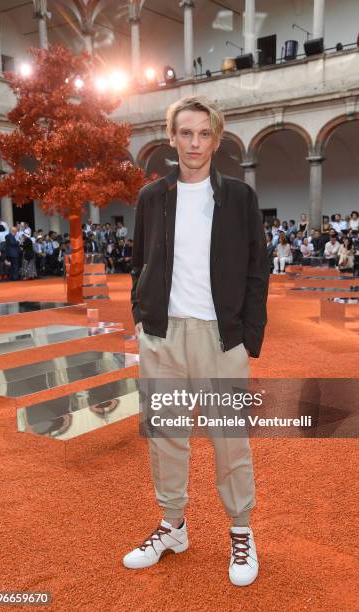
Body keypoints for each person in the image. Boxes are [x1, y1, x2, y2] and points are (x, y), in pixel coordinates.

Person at [124, 95, 269, 587]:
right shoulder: (151, 197)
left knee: (230, 439)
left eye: (204, 134)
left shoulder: (240, 198)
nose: (194, 142)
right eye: (185, 133)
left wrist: (247, 336)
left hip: (219, 336)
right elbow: (139, 260)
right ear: (172, 138)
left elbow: (257, 269)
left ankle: (241, 531)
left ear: (217, 139)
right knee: (166, 437)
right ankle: (173, 527)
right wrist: (142, 318)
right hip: (163, 335)